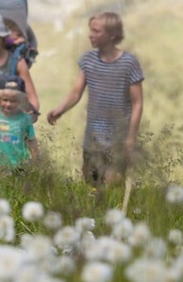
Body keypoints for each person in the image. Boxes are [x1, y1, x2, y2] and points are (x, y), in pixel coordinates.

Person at [47, 12, 144, 185]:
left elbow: (137, 103)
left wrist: (131, 138)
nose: (90, 34)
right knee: (91, 183)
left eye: (96, 31)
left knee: (113, 183)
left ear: (112, 35)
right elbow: (77, 91)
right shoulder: (88, 60)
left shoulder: (129, 63)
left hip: (118, 138)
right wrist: (60, 109)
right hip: (93, 138)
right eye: (90, 30)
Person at [0, 12, 40, 118]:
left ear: (3, 38)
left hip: (9, 128)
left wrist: (28, 119)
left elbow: (32, 99)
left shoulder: (16, 62)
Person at [0, 76, 39, 170]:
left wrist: (35, 159)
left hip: (20, 166)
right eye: (5, 100)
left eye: (13, 101)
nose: (8, 104)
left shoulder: (25, 119)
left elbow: (31, 140)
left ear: (21, 100)